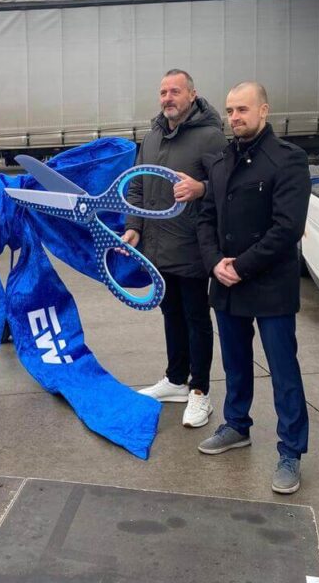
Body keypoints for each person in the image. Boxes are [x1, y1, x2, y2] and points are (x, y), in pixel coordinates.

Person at [196, 82, 311, 494]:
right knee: (235, 363)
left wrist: (240, 267)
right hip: (227, 284)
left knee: (283, 371)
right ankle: (236, 425)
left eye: (242, 109)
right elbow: (205, 219)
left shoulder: (287, 160)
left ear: (264, 110)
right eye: (229, 111)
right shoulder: (221, 161)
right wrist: (214, 263)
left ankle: (290, 451)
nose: (234, 118)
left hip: (270, 285)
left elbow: (287, 228)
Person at [121, 69, 227, 428]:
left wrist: (201, 189)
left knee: (196, 319)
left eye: (175, 91)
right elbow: (136, 186)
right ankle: (176, 379)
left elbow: (229, 185)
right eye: (163, 92)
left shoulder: (210, 136)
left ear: (192, 95)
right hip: (157, 247)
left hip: (193, 246)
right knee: (171, 314)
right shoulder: (152, 137)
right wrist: (134, 227)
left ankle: (200, 391)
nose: (168, 98)